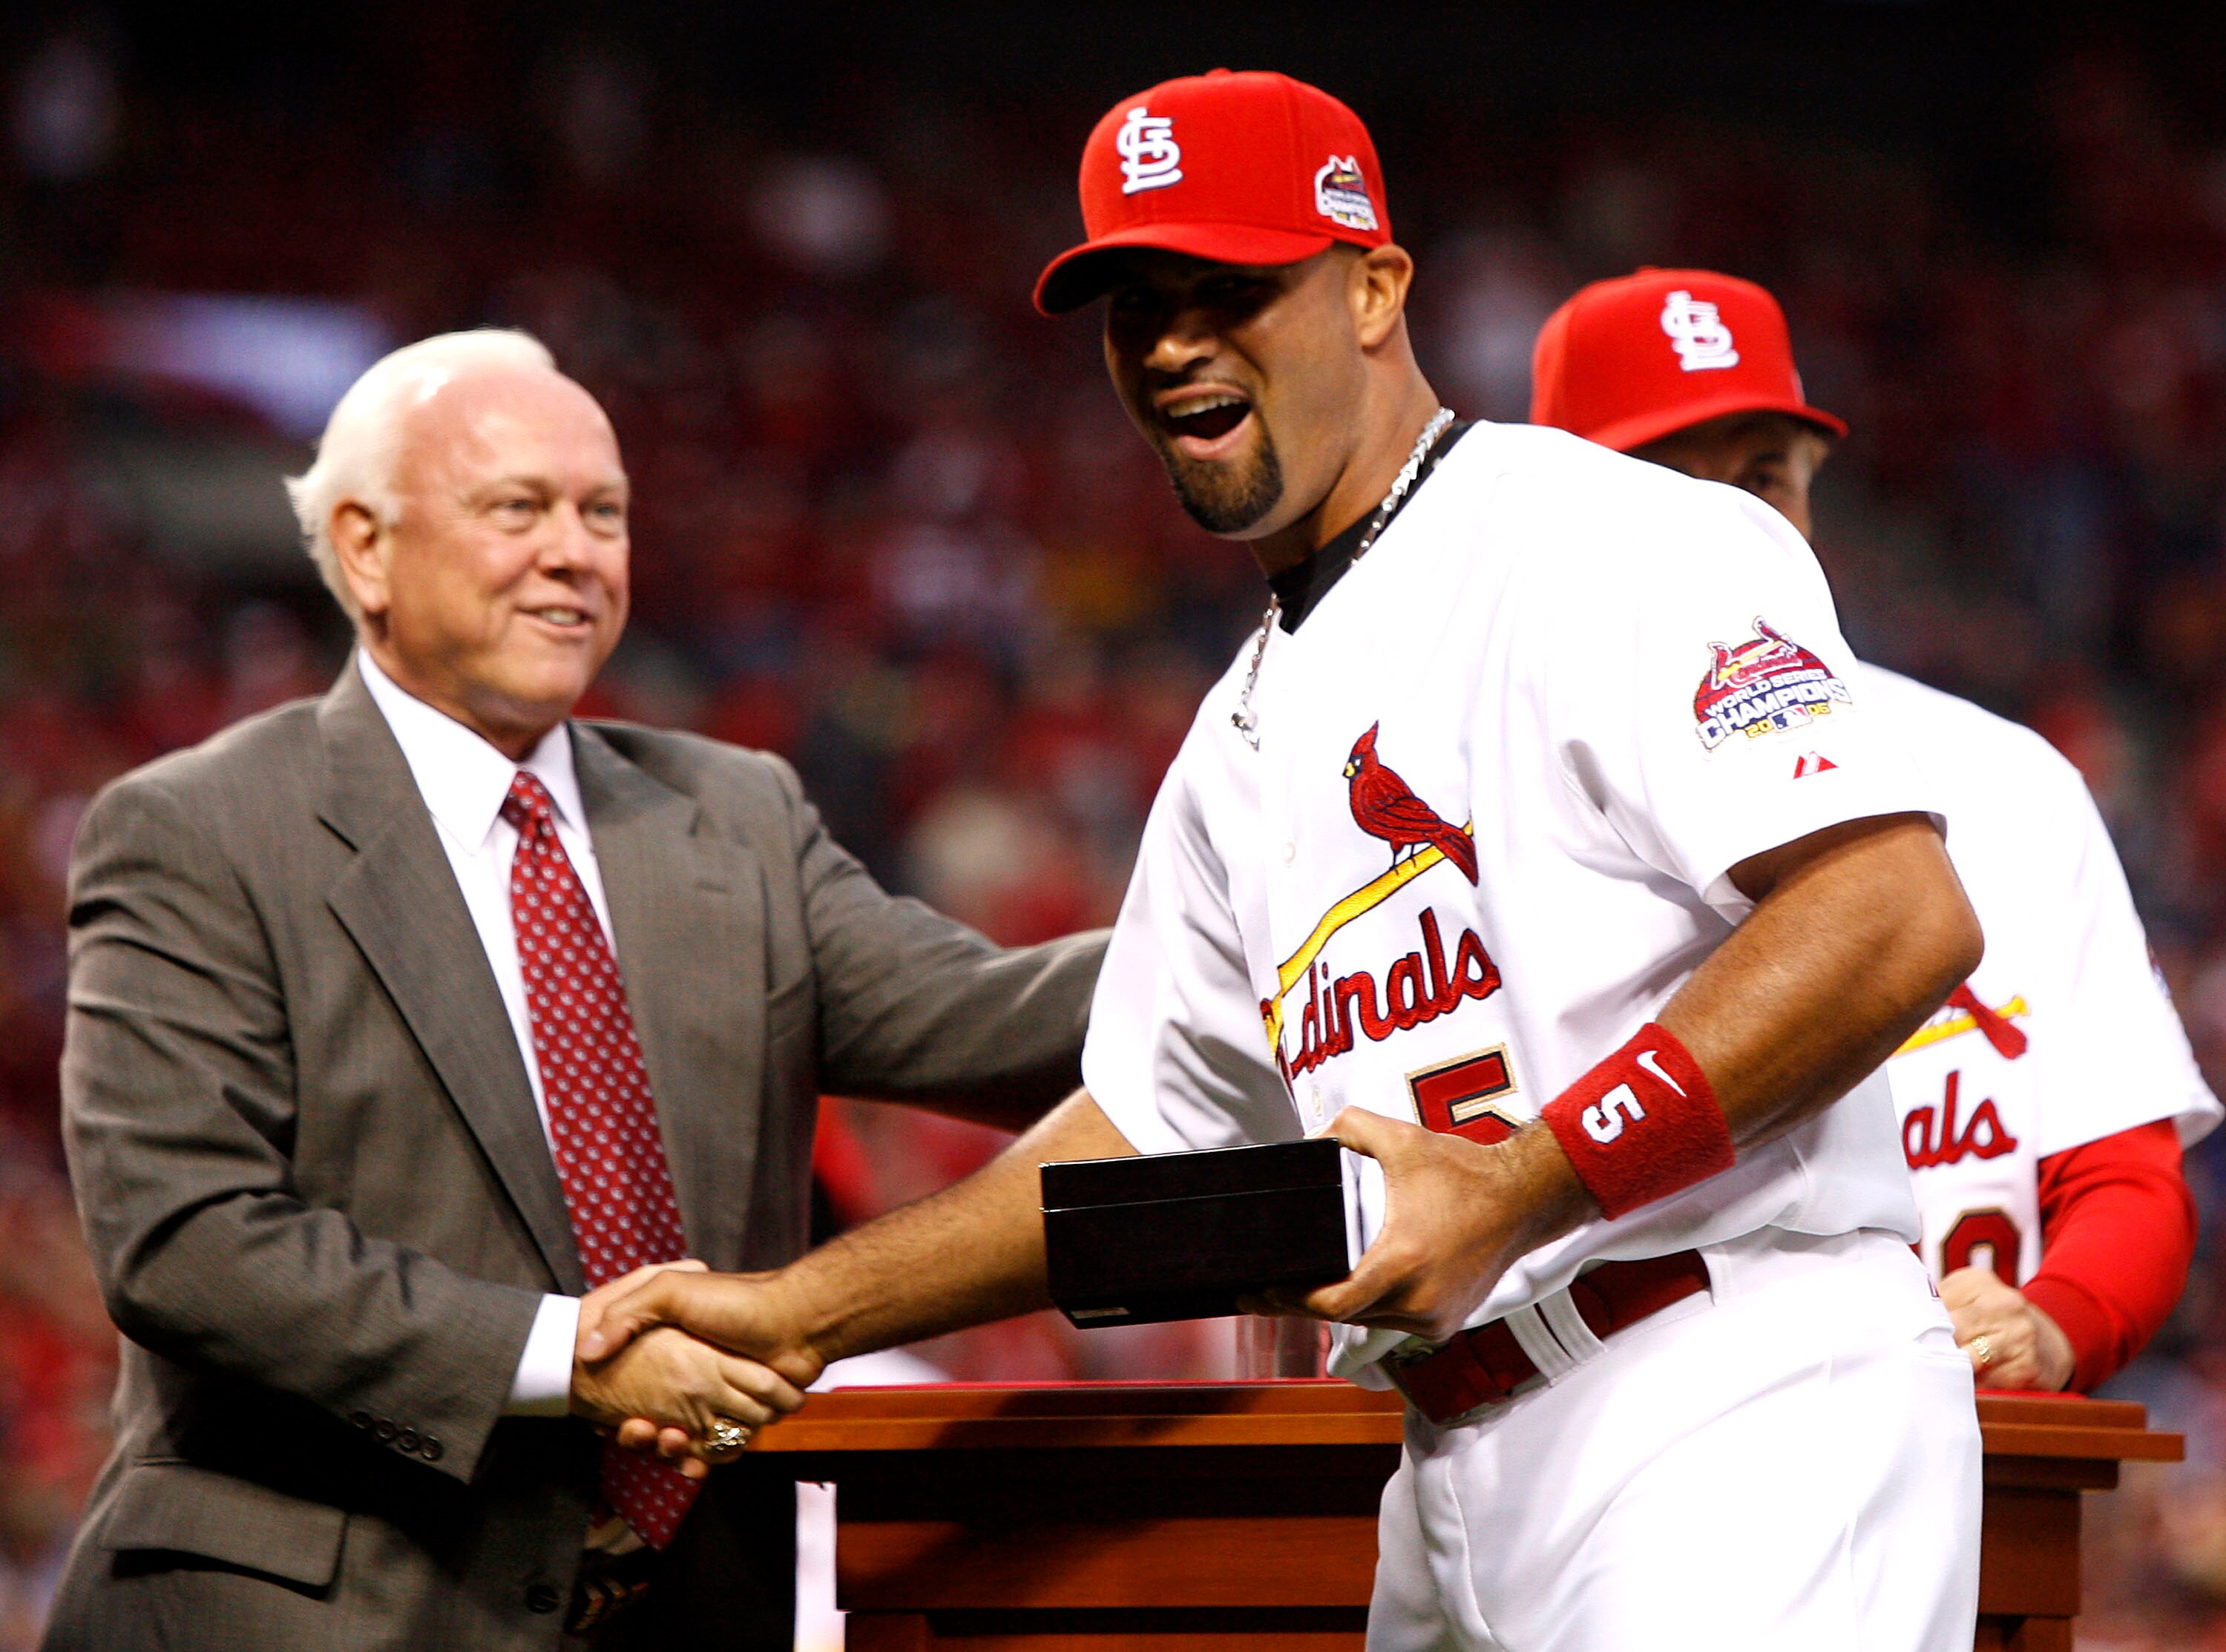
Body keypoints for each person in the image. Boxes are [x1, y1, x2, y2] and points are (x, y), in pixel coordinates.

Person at [587, 70, 1987, 1650]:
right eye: (1137, 306)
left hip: (1733, 1391)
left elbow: (1894, 911)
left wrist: (1531, 1180)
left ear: (1379, 287)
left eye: (1232, 287)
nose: (1177, 340)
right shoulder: (1237, 736)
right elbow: (1137, 1135)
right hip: (1457, 1453)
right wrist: (797, 1310)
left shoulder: (1612, 540)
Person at [44, 329, 1106, 1651]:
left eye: (603, 513)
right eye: (518, 509)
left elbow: (1009, 1024)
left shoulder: (734, 811)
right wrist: (570, 1359)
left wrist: (1290, 932)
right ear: (365, 548)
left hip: (690, 1609)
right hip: (315, 1611)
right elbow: (186, 1242)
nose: (576, 552)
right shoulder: (201, 830)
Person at [1529, 266, 2222, 1392]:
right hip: (1612, 1451)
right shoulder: (1487, 805)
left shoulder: (2003, 780)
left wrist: (2053, 1325)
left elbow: (2124, 1173)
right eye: (1663, 485)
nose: (1728, 531)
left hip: (1973, 1466)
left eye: (1763, 478)